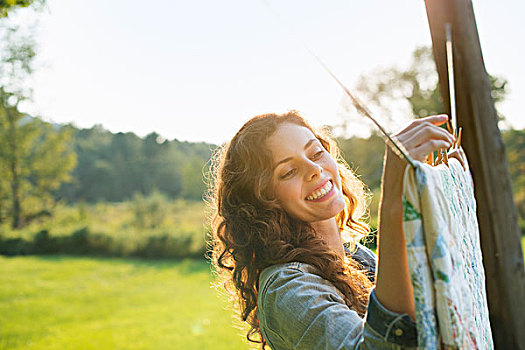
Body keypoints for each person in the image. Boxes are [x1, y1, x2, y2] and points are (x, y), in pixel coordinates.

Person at [208, 110, 463, 349]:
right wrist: (395, 199)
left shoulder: (356, 256)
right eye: (289, 172)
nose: (315, 169)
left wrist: (446, 195)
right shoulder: (285, 289)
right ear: (264, 200)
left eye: (316, 153)